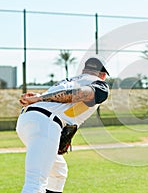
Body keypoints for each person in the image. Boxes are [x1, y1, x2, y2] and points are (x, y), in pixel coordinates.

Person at [16, 57, 110, 193]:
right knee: (35, 183)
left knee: (58, 171)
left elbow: (58, 98)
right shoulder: (99, 83)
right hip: (45, 123)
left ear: (84, 70)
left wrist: (39, 96)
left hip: (28, 121)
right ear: (103, 74)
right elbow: (81, 93)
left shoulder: (69, 80)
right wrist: (39, 98)